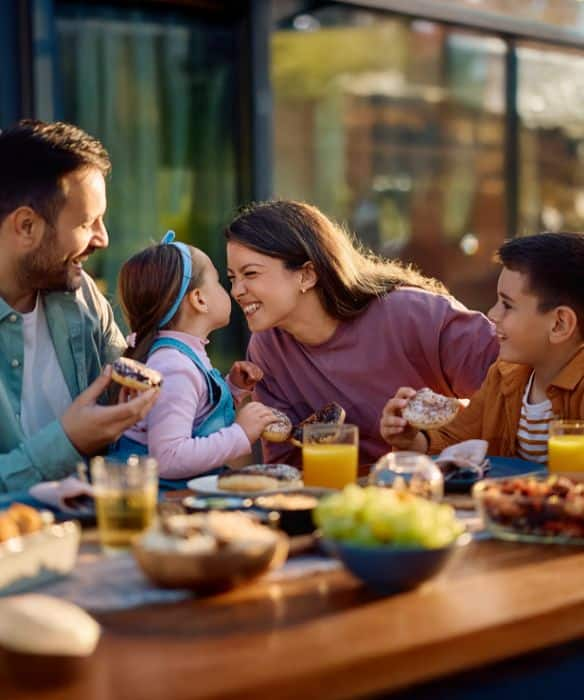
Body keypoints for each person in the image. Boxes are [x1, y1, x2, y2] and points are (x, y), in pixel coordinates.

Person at [225, 200, 498, 466]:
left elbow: (511, 387)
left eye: (250, 273)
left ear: (307, 275)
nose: (237, 291)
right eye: (232, 278)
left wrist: (426, 438)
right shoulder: (267, 349)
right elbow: (287, 466)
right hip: (340, 501)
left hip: (442, 491)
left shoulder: (415, 314)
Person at [0, 119, 158, 493]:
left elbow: (131, 405)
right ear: (25, 226)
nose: (102, 238)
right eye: (88, 223)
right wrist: (68, 442)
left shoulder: (82, 297)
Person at [380, 232, 584, 462]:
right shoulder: (503, 375)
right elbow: (455, 439)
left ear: (559, 324)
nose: (492, 314)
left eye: (507, 305)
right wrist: (413, 441)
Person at [109, 233, 276, 486]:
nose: (230, 291)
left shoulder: (181, 356)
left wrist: (233, 389)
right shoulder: (174, 366)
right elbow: (168, 458)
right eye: (220, 282)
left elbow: (194, 417)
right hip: (162, 500)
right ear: (199, 300)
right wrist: (240, 434)